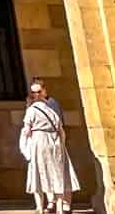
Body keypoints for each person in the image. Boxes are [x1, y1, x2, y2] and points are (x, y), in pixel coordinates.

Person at [20, 80, 81, 214]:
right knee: (56, 174)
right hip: (54, 142)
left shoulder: (36, 109)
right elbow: (61, 131)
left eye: (38, 92)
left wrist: (27, 143)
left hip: (40, 142)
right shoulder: (50, 110)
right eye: (33, 92)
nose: (36, 94)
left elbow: (26, 130)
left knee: (39, 173)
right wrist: (61, 145)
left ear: (44, 91)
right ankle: (57, 207)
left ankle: (44, 207)